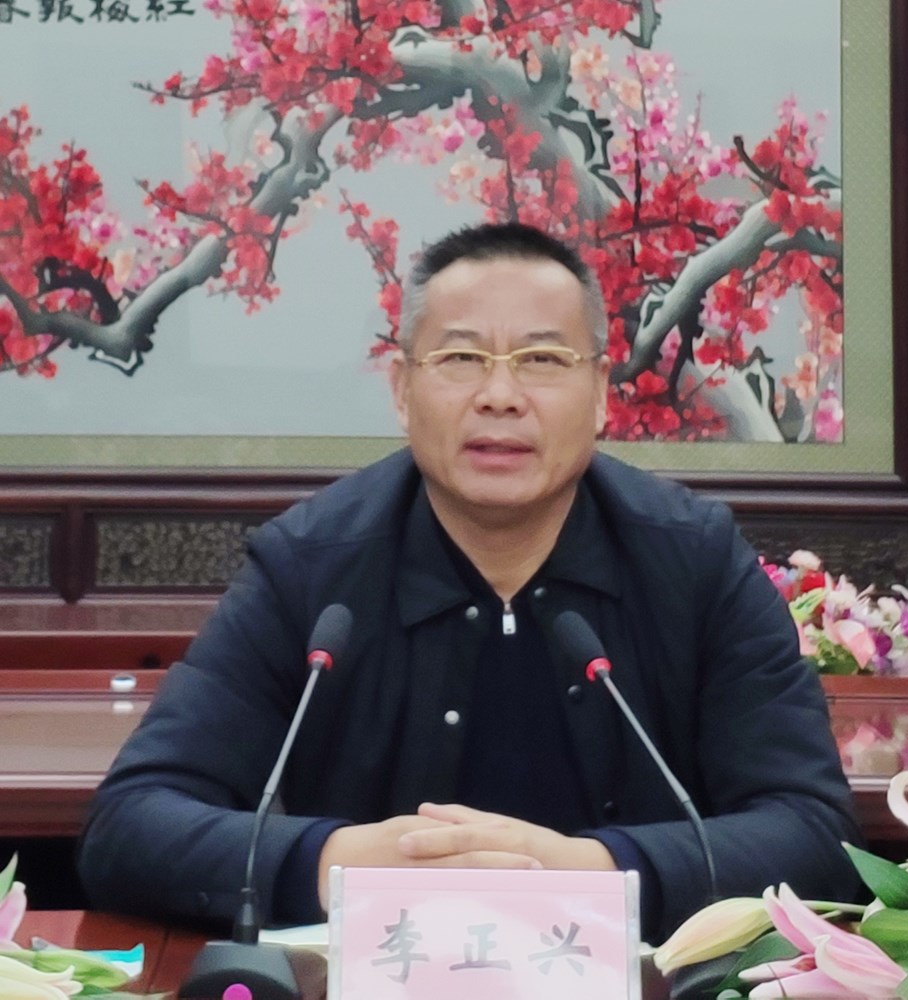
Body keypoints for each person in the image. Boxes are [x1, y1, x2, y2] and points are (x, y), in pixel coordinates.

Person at [77, 222, 862, 945]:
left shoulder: (693, 561)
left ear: (600, 393)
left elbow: (816, 833)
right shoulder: (312, 566)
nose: (500, 395)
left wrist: (593, 873)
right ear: (401, 389)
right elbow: (130, 824)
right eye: (460, 359)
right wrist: (342, 863)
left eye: (542, 360)